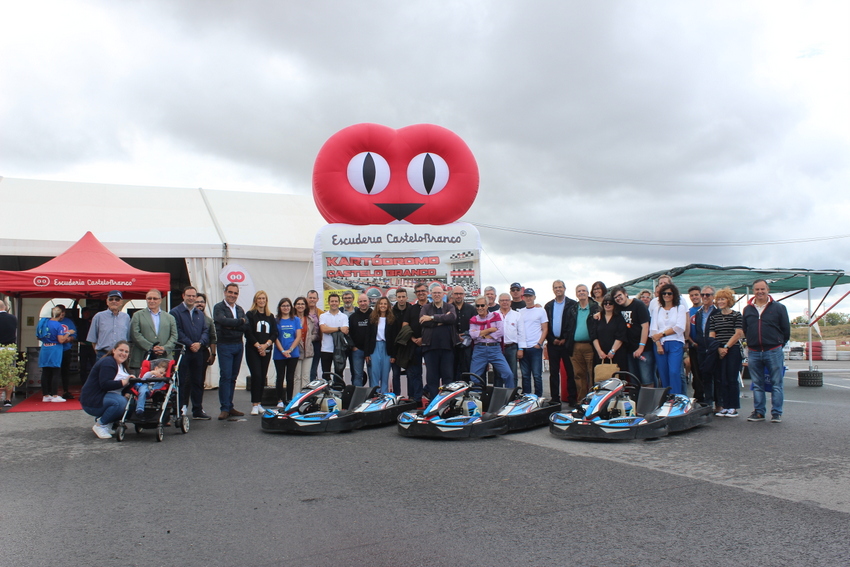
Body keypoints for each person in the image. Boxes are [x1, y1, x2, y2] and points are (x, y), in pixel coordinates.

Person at [742, 279, 790, 423]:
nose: (760, 292)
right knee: (757, 384)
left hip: (773, 350)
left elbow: (786, 330)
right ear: (753, 291)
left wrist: (778, 344)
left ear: (768, 290)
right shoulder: (748, 309)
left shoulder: (779, 308)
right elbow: (746, 329)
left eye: (762, 289)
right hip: (754, 351)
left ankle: (776, 413)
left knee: (776, 383)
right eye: (757, 289)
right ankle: (759, 412)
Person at [170, 286, 211, 420]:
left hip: (198, 352)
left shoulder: (200, 314)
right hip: (183, 352)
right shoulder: (175, 312)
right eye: (189, 295)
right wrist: (190, 344)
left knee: (198, 381)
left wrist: (200, 343)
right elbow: (177, 332)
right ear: (183, 296)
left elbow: (206, 331)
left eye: (193, 296)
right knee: (182, 381)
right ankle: (180, 408)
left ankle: (198, 409)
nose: (191, 298)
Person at [80, 340, 133, 439]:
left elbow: (127, 385)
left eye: (126, 352)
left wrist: (129, 389)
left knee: (130, 402)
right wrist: (123, 382)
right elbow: (105, 384)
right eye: (121, 350)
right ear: (114, 350)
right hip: (92, 401)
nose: (123, 354)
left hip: (105, 397)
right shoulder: (108, 362)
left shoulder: (122, 365)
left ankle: (108, 423)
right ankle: (100, 425)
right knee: (121, 403)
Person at [214, 283, 248, 420]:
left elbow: (246, 326)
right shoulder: (219, 307)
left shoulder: (239, 309)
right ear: (225, 292)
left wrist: (233, 325)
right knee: (226, 376)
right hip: (225, 345)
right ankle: (224, 408)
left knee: (233, 377)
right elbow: (222, 321)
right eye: (230, 292)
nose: (232, 295)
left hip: (238, 345)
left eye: (235, 293)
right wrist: (239, 322)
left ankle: (230, 405)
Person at [710, 288, 744, 418]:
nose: (720, 301)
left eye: (723, 299)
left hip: (732, 350)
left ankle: (733, 407)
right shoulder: (714, 317)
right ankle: (724, 406)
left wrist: (726, 347)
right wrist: (718, 348)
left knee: (731, 378)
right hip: (718, 350)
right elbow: (712, 334)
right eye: (718, 299)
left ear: (729, 300)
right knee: (721, 379)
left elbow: (738, 333)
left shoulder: (736, 315)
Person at [609, 285, 654, 385]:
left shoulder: (638, 304)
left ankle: (650, 400)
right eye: (615, 297)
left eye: (619, 295)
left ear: (626, 294)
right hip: (629, 349)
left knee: (646, 378)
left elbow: (645, 326)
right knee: (634, 379)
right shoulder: (618, 307)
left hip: (644, 349)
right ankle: (636, 400)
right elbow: (606, 310)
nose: (618, 298)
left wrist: (641, 347)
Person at [129, 289, 178, 376]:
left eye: (155, 298)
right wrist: (151, 347)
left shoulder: (170, 317)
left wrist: (165, 348)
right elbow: (135, 334)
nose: (152, 301)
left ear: (160, 300)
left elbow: (174, 336)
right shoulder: (137, 315)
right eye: (149, 298)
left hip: (164, 359)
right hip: (142, 357)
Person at [650, 283, 687, 395]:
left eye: (669, 293)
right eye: (664, 293)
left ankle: (676, 397)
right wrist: (658, 344)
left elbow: (680, 327)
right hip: (660, 344)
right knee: (663, 373)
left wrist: (662, 334)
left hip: (675, 342)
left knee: (674, 372)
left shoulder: (680, 308)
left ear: (674, 295)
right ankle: (666, 398)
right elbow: (653, 329)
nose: (666, 295)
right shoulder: (657, 309)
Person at [420, 285, 458, 397]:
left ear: (443, 294)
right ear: (431, 294)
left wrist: (432, 318)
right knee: (432, 378)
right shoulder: (426, 308)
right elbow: (423, 321)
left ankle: (447, 402)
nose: (437, 295)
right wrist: (442, 319)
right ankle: (433, 402)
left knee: (448, 377)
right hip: (430, 348)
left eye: (439, 293)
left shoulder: (449, 306)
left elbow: (451, 318)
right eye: (434, 293)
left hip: (447, 348)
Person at [469, 297, 514, 388]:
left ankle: (510, 397)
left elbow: (500, 332)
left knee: (508, 374)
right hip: (479, 350)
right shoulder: (473, 319)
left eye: (482, 305)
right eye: (477, 305)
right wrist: (489, 330)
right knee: (474, 377)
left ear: (487, 306)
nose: (480, 308)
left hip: (495, 349)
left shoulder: (496, 316)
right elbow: (473, 335)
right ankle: (478, 399)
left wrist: (481, 334)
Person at [543, 280, 577, 405]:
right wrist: (552, 339)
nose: (558, 289)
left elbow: (573, 324)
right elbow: (546, 325)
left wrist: (565, 339)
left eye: (560, 287)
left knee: (570, 371)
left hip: (567, 343)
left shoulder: (572, 304)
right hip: (553, 343)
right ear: (553, 290)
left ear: (564, 288)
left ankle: (572, 398)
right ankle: (555, 398)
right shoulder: (548, 306)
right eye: (555, 287)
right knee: (553, 372)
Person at [245, 290, 277, 417]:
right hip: (253, 350)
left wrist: (266, 345)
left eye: (264, 298)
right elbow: (248, 332)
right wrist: (258, 346)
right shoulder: (250, 314)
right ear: (255, 300)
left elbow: (274, 333)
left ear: (266, 300)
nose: (261, 301)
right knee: (256, 375)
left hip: (267, 350)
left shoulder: (270, 316)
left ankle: (259, 403)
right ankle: (254, 404)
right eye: (259, 298)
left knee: (262, 376)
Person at [568, 284, 599, 405]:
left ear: (587, 293)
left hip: (590, 346)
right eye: (579, 291)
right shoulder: (573, 309)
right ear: (576, 294)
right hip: (575, 346)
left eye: (584, 291)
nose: (581, 293)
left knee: (592, 374)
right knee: (578, 375)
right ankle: (581, 401)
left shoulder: (595, 308)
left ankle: (593, 401)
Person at [38, 306, 74, 402]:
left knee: (45, 372)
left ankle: (45, 395)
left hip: (45, 347)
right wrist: (68, 333)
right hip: (55, 349)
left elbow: (38, 337)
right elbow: (61, 340)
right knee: (55, 372)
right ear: (60, 314)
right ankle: (54, 395)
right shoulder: (58, 325)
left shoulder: (44, 323)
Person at [517, 288, 548, 397]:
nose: (528, 298)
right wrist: (520, 347)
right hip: (524, 347)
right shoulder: (520, 312)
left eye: (530, 296)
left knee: (537, 375)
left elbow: (545, 328)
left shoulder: (541, 311)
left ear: (534, 297)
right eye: (526, 296)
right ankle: (527, 397)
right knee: (525, 375)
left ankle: (538, 397)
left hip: (535, 347)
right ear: (523, 298)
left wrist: (539, 343)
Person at [271, 297, 301, 412]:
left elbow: (298, 336)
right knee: (280, 377)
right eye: (283, 306)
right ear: (280, 308)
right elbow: (275, 336)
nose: (286, 308)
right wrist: (283, 350)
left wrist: (290, 349)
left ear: (291, 307)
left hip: (293, 354)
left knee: (290, 377)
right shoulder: (276, 320)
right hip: (279, 354)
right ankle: (279, 400)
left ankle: (289, 399)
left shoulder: (296, 320)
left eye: (287, 306)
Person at [402, 283, 430, 404]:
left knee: (433, 372)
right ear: (415, 294)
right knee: (415, 373)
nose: (420, 293)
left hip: (430, 344)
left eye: (423, 291)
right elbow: (405, 325)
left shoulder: (433, 307)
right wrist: (413, 338)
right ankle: (417, 399)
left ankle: (429, 393)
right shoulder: (411, 309)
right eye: (418, 291)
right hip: (414, 344)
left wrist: (423, 339)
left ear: (427, 292)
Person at [365, 297, 400, 394]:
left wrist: (393, 355)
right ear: (378, 305)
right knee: (374, 373)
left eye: (385, 304)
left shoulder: (392, 320)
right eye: (381, 303)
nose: (383, 306)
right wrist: (367, 353)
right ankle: (374, 395)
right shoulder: (372, 318)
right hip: (374, 347)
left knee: (385, 374)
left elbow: (394, 338)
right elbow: (368, 336)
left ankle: (384, 395)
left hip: (387, 348)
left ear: (388, 306)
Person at [692, 286, 718, 407]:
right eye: (703, 295)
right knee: (704, 374)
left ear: (713, 296)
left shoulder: (717, 312)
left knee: (716, 376)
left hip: (714, 348)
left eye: (708, 295)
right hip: (701, 348)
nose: (705, 297)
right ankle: (708, 402)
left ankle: (719, 402)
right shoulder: (699, 313)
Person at [86, 290, 131, 359]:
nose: (114, 301)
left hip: (121, 355)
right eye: (111, 299)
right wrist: (99, 353)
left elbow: (127, 338)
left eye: (117, 299)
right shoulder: (98, 316)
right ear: (107, 301)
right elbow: (93, 339)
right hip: (103, 354)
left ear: (121, 302)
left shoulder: (126, 317)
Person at [319, 293, 350, 388]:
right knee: (326, 375)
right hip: (326, 349)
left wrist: (331, 329)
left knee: (339, 375)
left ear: (339, 303)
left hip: (340, 350)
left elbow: (345, 330)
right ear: (328, 302)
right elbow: (323, 329)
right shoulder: (323, 316)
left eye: (336, 301)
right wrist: (339, 328)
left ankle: (339, 394)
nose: (334, 303)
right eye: (332, 301)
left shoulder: (344, 316)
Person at [589, 295, 628, 370]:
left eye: (610, 303)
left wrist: (613, 351)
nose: (608, 305)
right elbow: (594, 336)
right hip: (600, 353)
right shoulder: (598, 318)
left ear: (614, 305)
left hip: (617, 353)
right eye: (605, 303)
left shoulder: (619, 318)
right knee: (601, 377)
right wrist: (599, 351)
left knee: (617, 376)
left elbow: (621, 336)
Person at [450, 286, 476, 381]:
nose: (458, 296)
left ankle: (467, 392)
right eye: (456, 294)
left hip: (467, 345)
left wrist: (466, 335)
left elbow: (475, 326)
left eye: (460, 294)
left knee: (467, 369)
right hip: (452, 344)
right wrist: (455, 335)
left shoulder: (471, 309)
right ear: (452, 295)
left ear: (464, 295)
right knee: (452, 370)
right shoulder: (448, 308)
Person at [348, 294, 372, 386]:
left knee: (372, 375)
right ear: (357, 303)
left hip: (371, 351)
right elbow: (349, 334)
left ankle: (373, 397)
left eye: (365, 301)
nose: (363, 303)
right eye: (361, 301)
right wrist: (353, 347)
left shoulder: (374, 315)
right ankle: (357, 398)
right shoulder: (353, 317)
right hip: (357, 351)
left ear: (368, 301)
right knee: (357, 375)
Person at [291, 296, 314, 395]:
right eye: (298, 304)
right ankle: (295, 400)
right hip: (296, 351)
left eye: (302, 304)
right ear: (295, 306)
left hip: (308, 351)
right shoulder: (292, 319)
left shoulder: (310, 319)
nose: (300, 306)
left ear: (305, 306)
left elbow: (315, 334)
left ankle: (304, 400)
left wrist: (309, 339)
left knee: (306, 377)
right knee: (297, 377)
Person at [194, 293, 217, 388]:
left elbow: (213, 337)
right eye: (197, 302)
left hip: (203, 351)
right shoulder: (188, 318)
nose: (200, 304)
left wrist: (213, 354)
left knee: (200, 379)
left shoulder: (208, 320)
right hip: (190, 350)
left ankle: (198, 402)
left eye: (202, 302)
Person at [390, 288, 410, 395]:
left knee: (411, 374)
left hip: (409, 347)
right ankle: (396, 397)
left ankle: (412, 397)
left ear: (407, 297)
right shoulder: (392, 312)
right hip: (396, 348)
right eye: (399, 297)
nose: (401, 299)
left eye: (403, 297)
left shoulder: (412, 309)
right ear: (396, 298)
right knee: (396, 374)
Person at [56, 305, 78, 399]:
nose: (62, 316)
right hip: (55, 350)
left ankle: (65, 391)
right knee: (54, 371)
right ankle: (53, 391)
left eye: (63, 314)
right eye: (60, 314)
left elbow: (75, 334)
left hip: (66, 349)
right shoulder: (51, 322)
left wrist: (69, 338)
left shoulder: (68, 322)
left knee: (65, 371)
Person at [0, 299, 18, 406]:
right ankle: (8, 399)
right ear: (5, 307)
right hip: (10, 348)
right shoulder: (13, 318)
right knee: (9, 374)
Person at [306, 290, 324, 380]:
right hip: (304, 344)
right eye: (310, 298)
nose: (312, 300)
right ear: (307, 299)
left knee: (314, 367)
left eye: (314, 298)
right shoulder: (301, 312)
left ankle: (312, 385)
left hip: (317, 343)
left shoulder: (321, 313)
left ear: (317, 299)